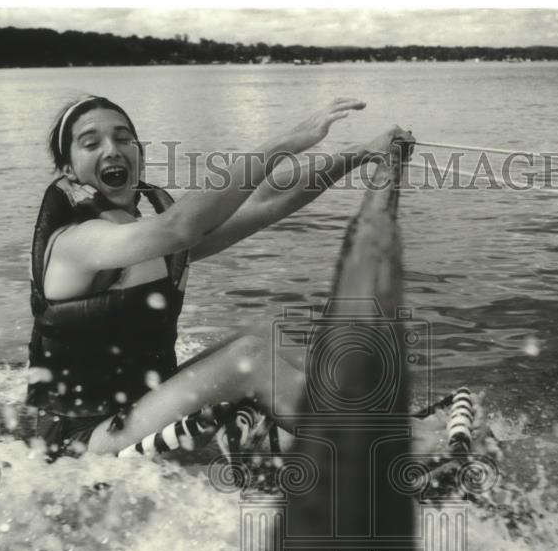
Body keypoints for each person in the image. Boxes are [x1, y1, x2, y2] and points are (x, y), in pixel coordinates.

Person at [27, 94, 415, 459]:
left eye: (123, 138)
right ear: (68, 170)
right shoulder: (76, 242)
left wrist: (361, 154)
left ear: (139, 154)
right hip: (79, 444)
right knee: (248, 358)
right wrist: (292, 140)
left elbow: (268, 203)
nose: (112, 149)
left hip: (139, 408)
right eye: (91, 143)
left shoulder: (142, 238)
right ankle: (382, 450)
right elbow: (181, 227)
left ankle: (372, 419)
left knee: (268, 332)